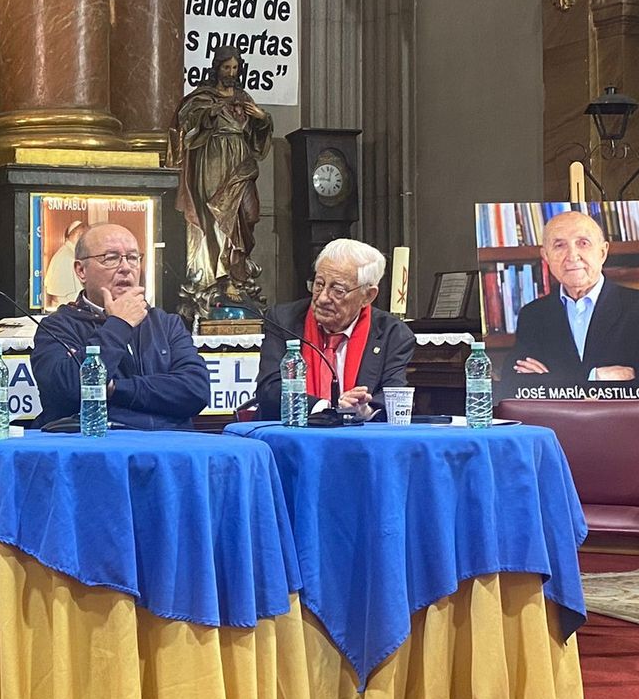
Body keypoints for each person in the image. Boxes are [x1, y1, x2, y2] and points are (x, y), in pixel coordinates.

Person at [31, 222, 212, 429]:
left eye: (133, 258)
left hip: (167, 448)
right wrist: (119, 324)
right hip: (98, 449)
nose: (126, 268)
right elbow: (69, 391)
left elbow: (196, 391)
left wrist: (114, 388)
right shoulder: (57, 327)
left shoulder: (166, 324)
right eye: (111, 258)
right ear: (81, 271)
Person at [508, 209, 639, 396]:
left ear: (602, 252)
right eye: (559, 245)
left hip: (620, 423)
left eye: (583, 243)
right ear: (546, 256)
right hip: (554, 423)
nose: (572, 255)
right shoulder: (533, 315)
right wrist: (594, 376)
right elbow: (515, 383)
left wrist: (552, 379)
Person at [255, 238, 414, 421]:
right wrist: (328, 409)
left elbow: (394, 395)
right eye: (319, 284)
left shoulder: (392, 334)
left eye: (337, 290)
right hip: (291, 435)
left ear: (367, 296)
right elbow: (269, 389)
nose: (322, 298)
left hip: (359, 441)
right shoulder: (283, 320)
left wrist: (365, 410)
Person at [170, 43, 273, 309]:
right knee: (217, 216)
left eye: (235, 68)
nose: (231, 72)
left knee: (248, 216)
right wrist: (209, 112)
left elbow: (256, 134)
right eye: (226, 67)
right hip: (213, 161)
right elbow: (185, 120)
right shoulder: (204, 96)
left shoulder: (244, 98)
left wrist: (263, 118)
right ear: (217, 67)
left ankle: (237, 273)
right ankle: (219, 278)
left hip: (240, 161)